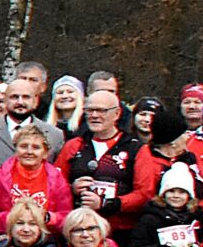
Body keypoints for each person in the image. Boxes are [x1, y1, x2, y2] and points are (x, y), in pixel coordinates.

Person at [0, 78, 65, 228]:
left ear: (36, 101)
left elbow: (60, 187)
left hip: (39, 228)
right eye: (14, 97)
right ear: (5, 100)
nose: (20, 102)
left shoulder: (54, 135)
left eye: (26, 97)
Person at [57, 90, 150, 237]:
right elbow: (55, 185)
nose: (94, 115)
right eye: (90, 110)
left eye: (101, 111)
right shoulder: (74, 145)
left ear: (117, 113)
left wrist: (106, 203)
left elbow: (144, 194)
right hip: (79, 229)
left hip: (120, 231)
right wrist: (71, 189)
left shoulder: (136, 148)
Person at [0, 126, 72, 247]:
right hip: (4, 243)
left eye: (36, 147)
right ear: (15, 150)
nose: (29, 152)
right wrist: (13, 219)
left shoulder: (57, 179)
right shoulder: (1, 176)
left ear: (45, 153)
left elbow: (66, 216)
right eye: (24, 146)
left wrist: (47, 217)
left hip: (44, 246)